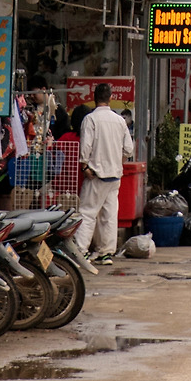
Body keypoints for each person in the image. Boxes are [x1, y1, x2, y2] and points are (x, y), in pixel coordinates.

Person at [75, 82, 134, 265]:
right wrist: (118, 161)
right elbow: (129, 149)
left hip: (95, 174)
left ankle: (81, 251)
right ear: (111, 98)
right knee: (109, 215)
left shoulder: (90, 119)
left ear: (94, 98)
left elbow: (85, 146)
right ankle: (106, 253)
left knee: (87, 213)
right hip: (114, 176)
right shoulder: (120, 121)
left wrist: (85, 166)